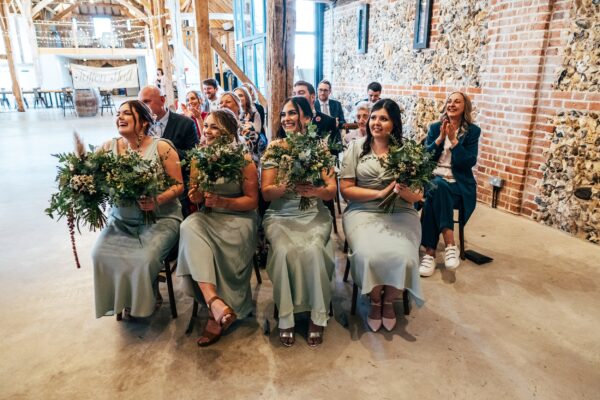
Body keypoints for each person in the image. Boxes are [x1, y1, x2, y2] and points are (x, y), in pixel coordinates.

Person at [93, 100, 183, 319]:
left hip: (159, 219)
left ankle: (147, 295)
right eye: (118, 114)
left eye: (127, 114)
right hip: (121, 221)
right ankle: (123, 298)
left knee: (143, 258)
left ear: (143, 122)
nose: (120, 118)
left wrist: (157, 200)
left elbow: (179, 185)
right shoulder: (107, 147)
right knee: (99, 254)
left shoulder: (162, 147)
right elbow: (92, 179)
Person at [340, 99, 425, 332]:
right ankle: (375, 300)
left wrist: (406, 192)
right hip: (363, 210)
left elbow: (419, 195)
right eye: (374, 117)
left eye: (383, 118)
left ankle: (389, 301)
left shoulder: (407, 151)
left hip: (401, 211)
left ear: (394, 123)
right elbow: (346, 190)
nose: (376, 123)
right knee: (369, 253)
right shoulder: (356, 147)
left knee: (406, 255)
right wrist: (379, 194)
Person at [177, 109, 259, 346]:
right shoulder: (198, 158)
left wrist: (224, 201)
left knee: (213, 243)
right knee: (189, 226)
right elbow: (195, 197)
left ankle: (216, 312)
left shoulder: (243, 159)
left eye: (214, 126)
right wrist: (197, 195)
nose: (207, 131)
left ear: (228, 131)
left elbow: (252, 201)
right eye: (206, 126)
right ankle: (215, 302)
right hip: (210, 216)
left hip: (239, 217)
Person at [261, 96, 337, 348]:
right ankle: (286, 316)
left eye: (292, 113)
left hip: (313, 213)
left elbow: (331, 189)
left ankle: (317, 315)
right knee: (283, 251)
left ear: (306, 117)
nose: (286, 119)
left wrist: (313, 192)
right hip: (281, 214)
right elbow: (266, 193)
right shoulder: (275, 147)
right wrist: (286, 186)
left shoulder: (319, 148)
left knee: (314, 250)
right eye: (283, 115)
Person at [419, 92, 481, 277]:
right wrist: (439, 138)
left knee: (435, 195)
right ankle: (450, 245)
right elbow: (425, 158)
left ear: (465, 107)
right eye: (449, 101)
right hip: (434, 177)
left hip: (458, 184)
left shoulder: (472, 131)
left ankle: (429, 253)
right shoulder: (435, 127)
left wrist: (454, 140)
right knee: (438, 186)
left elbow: (468, 161)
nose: (451, 104)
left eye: (457, 102)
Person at [139, 85, 199, 216]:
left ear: (162, 100)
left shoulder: (185, 123)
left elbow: (193, 156)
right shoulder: (141, 125)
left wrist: (163, 149)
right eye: (140, 103)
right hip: (148, 185)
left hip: (177, 182)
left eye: (147, 101)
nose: (143, 107)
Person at [292, 80, 341, 156]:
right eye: (294, 94)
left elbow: (334, 152)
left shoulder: (329, 121)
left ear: (312, 97)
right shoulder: (289, 121)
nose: (296, 97)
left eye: (301, 93)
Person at [234, 86, 267, 164]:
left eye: (241, 95)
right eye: (235, 96)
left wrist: (247, 124)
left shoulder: (254, 112)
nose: (238, 98)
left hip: (252, 148)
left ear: (247, 97)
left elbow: (257, 131)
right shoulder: (232, 114)